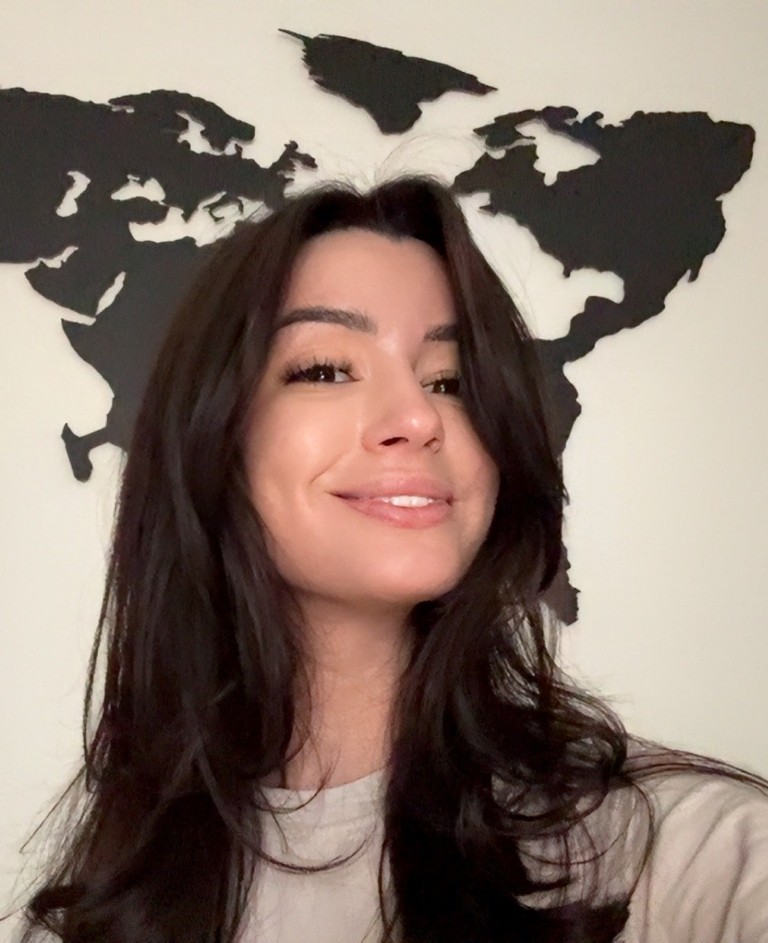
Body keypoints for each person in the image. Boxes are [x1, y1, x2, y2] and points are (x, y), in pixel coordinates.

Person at [16, 177, 768, 943]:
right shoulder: (109, 906)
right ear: (213, 437)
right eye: (326, 369)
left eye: (450, 381)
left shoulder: (681, 852)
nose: (418, 416)